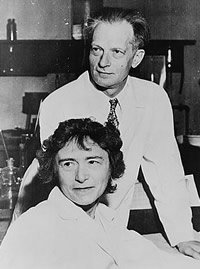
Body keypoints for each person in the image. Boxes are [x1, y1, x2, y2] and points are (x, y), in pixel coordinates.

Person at [13, 7, 200, 258]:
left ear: (136, 57)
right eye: (96, 49)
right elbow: (63, 186)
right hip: (52, 226)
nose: (103, 62)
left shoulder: (152, 98)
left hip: (110, 230)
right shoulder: (60, 103)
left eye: (117, 52)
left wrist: (183, 234)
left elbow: (166, 171)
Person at [1, 118, 200, 269]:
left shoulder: (105, 221)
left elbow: (159, 262)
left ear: (111, 167)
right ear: (54, 170)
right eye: (68, 163)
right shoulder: (33, 228)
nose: (81, 176)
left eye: (93, 161)